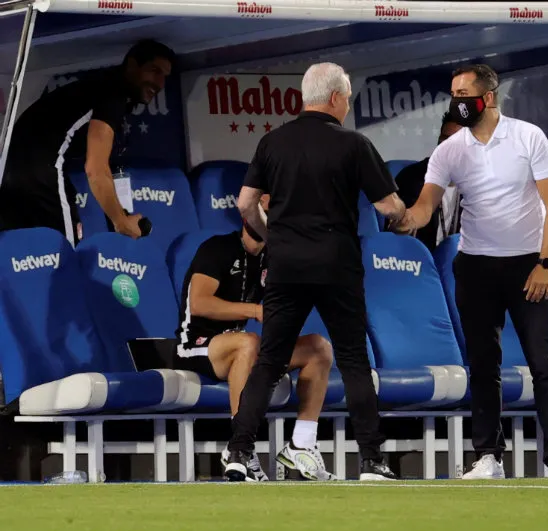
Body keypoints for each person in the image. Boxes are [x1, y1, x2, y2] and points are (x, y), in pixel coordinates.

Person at [393, 64, 548, 479]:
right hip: (475, 266)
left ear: (488, 97)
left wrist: (544, 264)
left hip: (530, 264)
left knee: (544, 361)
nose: (457, 100)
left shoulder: (529, 137)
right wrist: (402, 217)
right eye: (453, 93)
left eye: (464, 93)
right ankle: (488, 456)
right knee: (483, 364)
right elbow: (424, 208)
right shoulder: (449, 150)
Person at [224, 62, 407, 482]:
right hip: (337, 263)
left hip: (286, 264)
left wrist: (270, 238)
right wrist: (405, 218)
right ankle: (372, 463)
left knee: (269, 361)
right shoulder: (354, 144)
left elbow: (245, 204)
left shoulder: (272, 142)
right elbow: (389, 208)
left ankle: (239, 452)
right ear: (337, 98)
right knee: (354, 361)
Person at [174, 219, 337, 481]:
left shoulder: (271, 258)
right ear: (248, 213)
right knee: (247, 342)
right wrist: (254, 311)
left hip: (243, 347)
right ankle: (240, 446)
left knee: (318, 348)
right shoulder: (217, 248)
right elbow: (200, 303)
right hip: (197, 346)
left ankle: (302, 444)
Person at [0, 39, 175, 247]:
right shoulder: (112, 94)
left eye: (164, 76)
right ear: (131, 65)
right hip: (40, 170)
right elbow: (95, 169)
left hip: (10, 170)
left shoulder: (100, 87)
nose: (159, 83)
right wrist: (121, 221)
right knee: (62, 258)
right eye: (154, 71)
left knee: (25, 261)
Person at [390, 111, 463, 253]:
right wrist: (404, 224)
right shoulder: (412, 179)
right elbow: (400, 229)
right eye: (444, 141)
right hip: (419, 265)